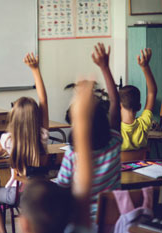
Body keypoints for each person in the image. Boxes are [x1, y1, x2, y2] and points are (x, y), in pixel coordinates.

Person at [19, 80, 96, 233]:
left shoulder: (9, 140)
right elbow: (84, 189)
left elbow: (79, 187)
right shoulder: (80, 228)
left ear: (24, 225)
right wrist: (82, 120)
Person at [0, 52, 49, 233]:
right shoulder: (42, 135)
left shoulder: (7, 139)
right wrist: (35, 70)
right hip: (40, 190)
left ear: (13, 117)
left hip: (16, 194)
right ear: (36, 116)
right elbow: (43, 100)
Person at [57, 43, 122, 219]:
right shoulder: (115, 142)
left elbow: (62, 189)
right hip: (113, 221)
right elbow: (115, 102)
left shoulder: (73, 153)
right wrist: (105, 67)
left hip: (82, 222)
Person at [119, 48, 157, 151]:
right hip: (140, 167)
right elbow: (152, 92)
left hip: (119, 167)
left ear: (119, 105)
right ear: (139, 106)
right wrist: (145, 67)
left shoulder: (115, 130)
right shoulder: (144, 124)